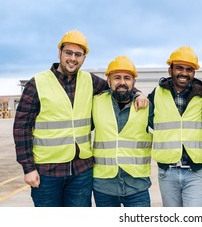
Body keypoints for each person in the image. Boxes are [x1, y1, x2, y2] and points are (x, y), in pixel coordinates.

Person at [12, 30, 148, 207]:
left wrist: (138, 93)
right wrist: (28, 167)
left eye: (78, 54)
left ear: (84, 58)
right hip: (47, 172)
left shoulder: (89, 81)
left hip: (81, 173)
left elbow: (117, 87)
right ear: (59, 53)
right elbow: (21, 128)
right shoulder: (37, 83)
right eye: (68, 53)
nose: (73, 58)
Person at [148, 46, 202, 207]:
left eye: (189, 69)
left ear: (194, 73)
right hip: (167, 171)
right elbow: (144, 116)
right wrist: (138, 93)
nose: (184, 73)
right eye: (179, 68)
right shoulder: (157, 94)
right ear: (170, 70)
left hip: (195, 171)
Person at [92, 56, 152, 207]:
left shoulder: (147, 106)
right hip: (104, 187)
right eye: (117, 77)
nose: (122, 82)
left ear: (134, 82)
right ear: (109, 81)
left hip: (137, 187)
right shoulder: (95, 102)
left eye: (127, 78)